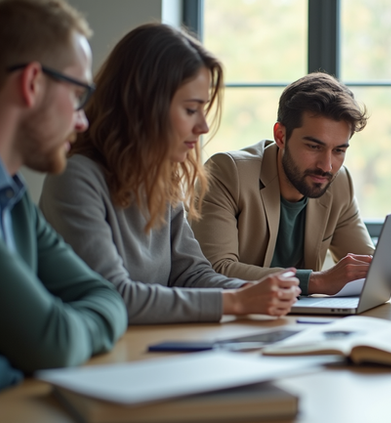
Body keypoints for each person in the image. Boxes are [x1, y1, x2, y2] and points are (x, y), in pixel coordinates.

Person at [39, 23, 300, 325]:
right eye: (191, 110)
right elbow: (114, 295)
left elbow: (190, 273)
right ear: (143, 107)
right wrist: (237, 301)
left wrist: (253, 291)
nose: (203, 126)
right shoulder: (76, 178)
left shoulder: (161, 178)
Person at [0, 0, 126, 387]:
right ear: (32, 83)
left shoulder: (16, 201)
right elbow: (50, 342)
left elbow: (106, 297)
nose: (82, 120)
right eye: (77, 95)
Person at [190, 73, 375, 297]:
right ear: (280, 136)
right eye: (314, 147)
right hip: (237, 319)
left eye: (339, 150)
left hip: (301, 320)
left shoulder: (340, 182)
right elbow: (214, 270)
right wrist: (315, 281)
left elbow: (370, 267)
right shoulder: (227, 172)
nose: (326, 166)